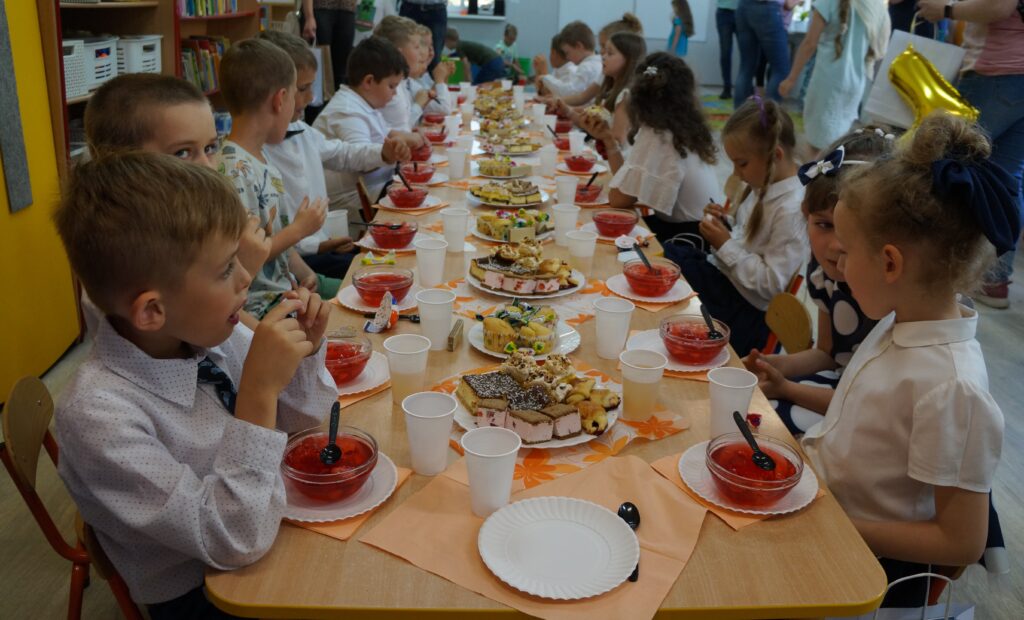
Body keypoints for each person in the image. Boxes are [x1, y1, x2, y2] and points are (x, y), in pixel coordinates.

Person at [52, 152, 336, 619]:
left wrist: (302, 355)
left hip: (270, 526)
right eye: (226, 269)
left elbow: (307, 433)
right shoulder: (97, 417)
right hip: (206, 593)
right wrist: (259, 396)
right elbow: (233, 539)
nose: (247, 278)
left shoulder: (209, 334)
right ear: (152, 312)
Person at [801, 111, 1020, 606]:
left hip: (868, 575)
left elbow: (962, 541)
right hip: (830, 516)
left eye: (848, 251)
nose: (837, 264)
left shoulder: (951, 387)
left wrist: (839, 524)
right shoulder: (900, 322)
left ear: (890, 262)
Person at [82, 74, 271, 333]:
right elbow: (193, 327)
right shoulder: (127, 250)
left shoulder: (194, 216)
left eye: (211, 147)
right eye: (182, 152)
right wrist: (242, 266)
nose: (208, 168)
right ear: (123, 165)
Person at [744, 127, 894, 435]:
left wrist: (785, 388)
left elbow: (871, 407)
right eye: (823, 224)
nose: (837, 244)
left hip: (868, 416)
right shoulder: (824, 272)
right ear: (805, 214)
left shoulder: (893, 296)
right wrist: (772, 367)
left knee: (760, 426)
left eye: (854, 228)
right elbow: (826, 354)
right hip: (835, 389)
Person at [258, 30, 409, 282]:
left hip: (316, 248)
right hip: (295, 262)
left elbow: (342, 153)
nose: (312, 98)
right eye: (304, 88)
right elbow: (276, 243)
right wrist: (314, 245)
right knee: (382, 278)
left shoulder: (300, 130)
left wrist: (383, 152)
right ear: (278, 94)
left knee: (394, 269)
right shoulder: (258, 151)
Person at [665, 98, 807, 354]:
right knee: (665, 256)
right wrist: (725, 225)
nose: (737, 172)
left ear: (775, 156)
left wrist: (725, 244)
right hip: (726, 281)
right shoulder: (763, 186)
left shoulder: (791, 209)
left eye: (742, 163)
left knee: (667, 268)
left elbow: (772, 285)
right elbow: (749, 240)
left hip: (745, 312)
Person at [218, 39, 337, 316]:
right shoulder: (235, 170)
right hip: (261, 311)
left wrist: (306, 274)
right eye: (297, 93)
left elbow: (274, 240)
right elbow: (243, 257)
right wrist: (299, 229)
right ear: (280, 99)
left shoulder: (260, 159)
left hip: (285, 294)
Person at [918, 0, 1024, 309]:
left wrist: (947, 9)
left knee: (946, 165)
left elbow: (1000, 6)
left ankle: (931, 267)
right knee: (1007, 180)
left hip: (995, 72)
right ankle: (994, 279)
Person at [583, 52, 721, 247]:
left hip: (688, 240)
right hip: (700, 230)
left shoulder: (659, 134)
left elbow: (619, 198)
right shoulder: (683, 126)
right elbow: (627, 185)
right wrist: (608, 140)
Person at [314, 37, 425, 214]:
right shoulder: (347, 111)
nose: (395, 93)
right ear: (368, 82)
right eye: (391, 86)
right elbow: (360, 158)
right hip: (349, 205)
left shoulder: (364, 103)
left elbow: (384, 132)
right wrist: (387, 154)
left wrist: (409, 138)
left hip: (370, 192)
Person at [779, 0, 891, 152]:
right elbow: (880, 46)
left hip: (827, 81)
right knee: (838, 146)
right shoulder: (875, 4)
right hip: (856, 83)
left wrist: (791, 78)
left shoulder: (828, 2)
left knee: (817, 148)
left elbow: (809, 43)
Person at [553, 32, 646, 147]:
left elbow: (617, 141)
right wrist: (568, 111)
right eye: (604, 52)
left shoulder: (625, 96)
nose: (603, 56)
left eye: (610, 53)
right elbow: (594, 129)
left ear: (628, 60)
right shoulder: (610, 90)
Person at [374, 15, 437, 131]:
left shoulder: (403, 81)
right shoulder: (391, 89)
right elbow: (401, 131)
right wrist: (419, 105)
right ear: (398, 53)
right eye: (416, 47)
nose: (422, 53)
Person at [734, 0, 798, 106]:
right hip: (767, 7)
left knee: (746, 67)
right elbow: (788, 4)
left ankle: (739, 115)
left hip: (744, 6)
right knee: (781, 70)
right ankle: (768, 117)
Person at [532, 21, 603, 101]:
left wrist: (545, 77)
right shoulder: (595, 63)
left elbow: (570, 92)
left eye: (567, 52)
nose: (567, 57)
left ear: (578, 46)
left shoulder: (587, 66)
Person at [301, 0, 358, 89]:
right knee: (320, 67)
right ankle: (317, 101)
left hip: (348, 9)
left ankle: (338, 100)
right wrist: (309, 17)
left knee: (342, 70)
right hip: (320, 9)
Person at [414, 23, 456, 115]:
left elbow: (438, 97)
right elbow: (444, 109)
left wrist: (444, 76)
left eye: (432, 45)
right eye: (424, 45)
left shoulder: (424, 75)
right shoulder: (411, 81)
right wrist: (440, 80)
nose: (431, 50)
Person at [399, 0, 447, 72]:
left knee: (434, 55)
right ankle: (401, 81)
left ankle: (435, 82)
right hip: (410, 7)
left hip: (436, 9)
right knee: (404, 51)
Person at [717, 0, 739, 99]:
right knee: (725, 53)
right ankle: (727, 87)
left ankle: (747, 87)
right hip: (724, 12)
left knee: (748, 52)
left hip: (743, 11)